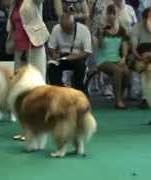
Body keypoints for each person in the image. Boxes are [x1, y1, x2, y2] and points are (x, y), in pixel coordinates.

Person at [6, 0, 50, 140]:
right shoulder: (14, 3)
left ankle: (36, 129)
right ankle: (25, 129)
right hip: (20, 50)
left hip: (34, 46)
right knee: (21, 90)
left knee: (35, 90)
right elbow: (13, 25)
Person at [97, 4, 131, 109]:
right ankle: (118, 101)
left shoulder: (122, 30)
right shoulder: (102, 29)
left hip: (116, 59)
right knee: (117, 70)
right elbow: (100, 46)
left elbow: (125, 45)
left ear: (117, 15)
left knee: (126, 71)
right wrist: (101, 34)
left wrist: (124, 58)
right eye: (109, 13)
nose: (111, 16)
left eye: (113, 13)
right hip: (103, 60)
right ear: (106, 15)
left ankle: (119, 96)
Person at [47, 13, 92, 92]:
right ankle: (60, 91)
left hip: (78, 57)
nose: (67, 31)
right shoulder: (56, 28)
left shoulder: (84, 30)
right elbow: (51, 46)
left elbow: (87, 52)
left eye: (69, 28)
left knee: (80, 67)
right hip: (61, 56)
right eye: (64, 29)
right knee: (52, 67)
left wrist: (73, 57)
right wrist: (54, 54)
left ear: (73, 24)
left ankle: (79, 92)